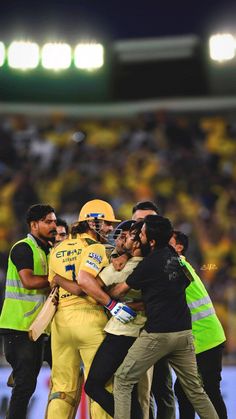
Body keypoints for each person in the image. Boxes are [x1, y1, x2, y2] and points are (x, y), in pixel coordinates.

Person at [112, 215, 219, 419]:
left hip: (158, 335)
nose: (138, 237)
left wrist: (101, 291)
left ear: (151, 241)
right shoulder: (172, 254)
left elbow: (119, 291)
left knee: (123, 380)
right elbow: (185, 282)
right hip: (184, 334)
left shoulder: (148, 265)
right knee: (196, 391)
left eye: (141, 234)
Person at [46, 199, 133, 419]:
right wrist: (111, 304)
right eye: (107, 224)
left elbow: (53, 284)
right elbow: (86, 285)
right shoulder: (96, 248)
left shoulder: (57, 249)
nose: (111, 229)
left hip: (60, 323)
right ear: (93, 222)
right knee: (101, 385)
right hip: (90, 318)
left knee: (63, 389)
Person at [0, 204, 57, 419]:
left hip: (40, 329)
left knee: (55, 377)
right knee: (25, 386)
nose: (53, 225)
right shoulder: (22, 248)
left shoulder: (48, 251)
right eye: (48, 222)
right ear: (34, 225)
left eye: (54, 221)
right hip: (19, 327)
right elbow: (29, 281)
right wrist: (56, 281)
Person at [85, 221, 146, 419]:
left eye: (125, 236)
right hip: (143, 335)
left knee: (93, 385)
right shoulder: (152, 263)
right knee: (132, 389)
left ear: (136, 242)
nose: (120, 239)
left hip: (121, 334)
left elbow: (90, 285)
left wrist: (111, 301)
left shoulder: (121, 268)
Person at [169, 230, 227, 419]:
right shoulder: (181, 265)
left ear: (179, 248)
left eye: (168, 240)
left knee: (208, 391)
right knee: (187, 391)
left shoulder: (178, 264)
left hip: (206, 339)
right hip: (205, 338)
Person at [132, 201, 176, 419]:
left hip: (160, 329)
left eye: (149, 221)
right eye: (140, 222)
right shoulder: (124, 252)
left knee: (162, 388)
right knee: (140, 392)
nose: (144, 226)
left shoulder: (171, 256)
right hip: (132, 332)